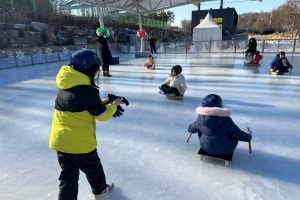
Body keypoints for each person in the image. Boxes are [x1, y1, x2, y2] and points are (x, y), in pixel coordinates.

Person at [49, 49, 127, 200]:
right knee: (94, 169)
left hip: (60, 140)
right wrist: (114, 105)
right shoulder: (86, 89)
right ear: (89, 69)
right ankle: (100, 191)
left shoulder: (66, 83)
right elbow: (101, 115)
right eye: (96, 68)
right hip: (79, 143)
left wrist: (105, 101)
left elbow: (81, 106)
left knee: (68, 176)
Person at [188, 94, 252, 156]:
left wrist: (191, 127)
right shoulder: (227, 120)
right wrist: (248, 136)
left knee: (200, 129)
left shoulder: (200, 120)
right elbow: (239, 135)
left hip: (206, 148)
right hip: (226, 150)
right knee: (233, 134)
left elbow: (190, 129)